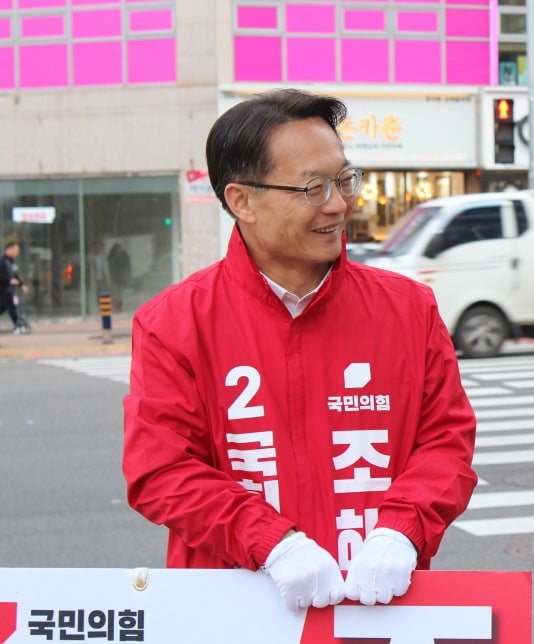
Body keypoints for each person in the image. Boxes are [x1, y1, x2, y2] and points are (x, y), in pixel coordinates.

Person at [122, 89, 478, 614]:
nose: (338, 204)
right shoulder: (174, 323)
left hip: (375, 611)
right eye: (313, 187)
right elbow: (161, 471)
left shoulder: (407, 309)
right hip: (239, 610)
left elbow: (446, 441)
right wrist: (270, 541)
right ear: (241, 200)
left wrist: (403, 530)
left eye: (344, 179)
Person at [0, 241, 30, 334]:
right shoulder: (2, 261)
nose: (17, 252)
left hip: (10, 290)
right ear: (10, 249)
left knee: (9, 307)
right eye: (16, 250)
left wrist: (21, 284)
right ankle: (18, 324)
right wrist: (9, 281)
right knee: (11, 307)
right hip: (3, 290)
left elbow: (15, 275)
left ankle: (19, 324)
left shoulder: (11, 262)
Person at [107, 242, 131, 311]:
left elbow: (127, 268)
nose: (118, 250)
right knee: (115, 294)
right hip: (114, 279)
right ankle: (116, 307)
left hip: (121, 278)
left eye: (119, 248)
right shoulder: (111, 257)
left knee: (121, 294)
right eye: (117, 249)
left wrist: (127, 277)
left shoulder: (124, 257)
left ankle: (120, 307)